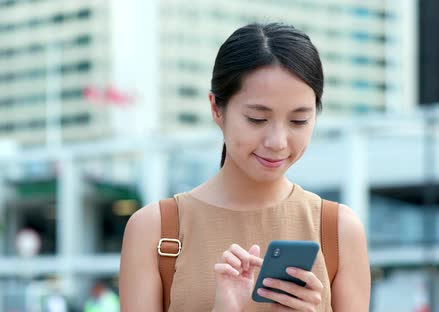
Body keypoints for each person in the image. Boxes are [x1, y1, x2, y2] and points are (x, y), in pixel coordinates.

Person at [119, 22, 370, 311]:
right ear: (216, 108)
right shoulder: (155, 229)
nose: (277, 141)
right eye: (257, 119)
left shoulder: (339, 230)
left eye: (299, 121)